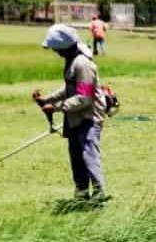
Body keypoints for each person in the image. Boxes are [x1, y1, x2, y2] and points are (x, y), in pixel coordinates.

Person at [32, 24, 109, 203]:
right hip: (75, 118)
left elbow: (85, 97)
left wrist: (57, 107)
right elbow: (69, 88)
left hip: (89, 118)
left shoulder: (82, 64)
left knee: (88, 155)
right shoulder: (72, 61)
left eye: (56, 49)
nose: (55, 52)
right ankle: (81, 192)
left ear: (65, 47)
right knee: (76, 156)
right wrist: (47, 100)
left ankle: (99, 193)